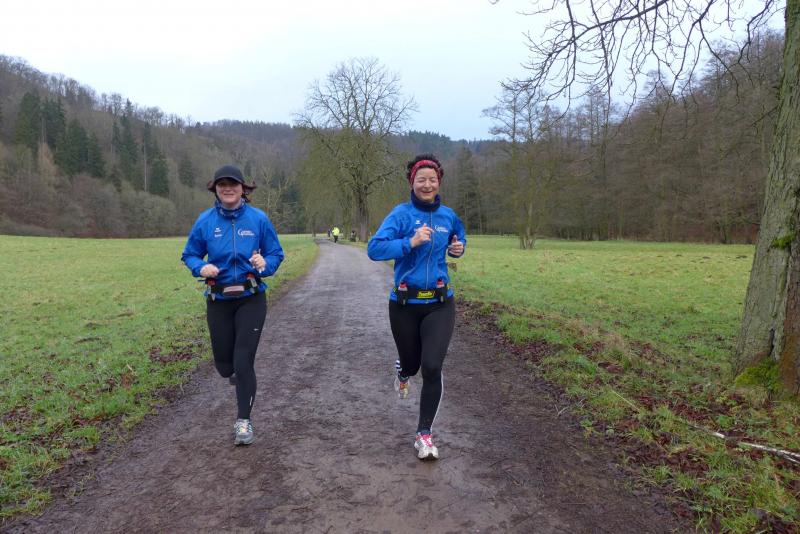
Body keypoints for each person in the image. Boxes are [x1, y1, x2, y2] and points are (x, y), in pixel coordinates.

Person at [367, 154, 466, 460]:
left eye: (432, 180)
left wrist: (458, 248)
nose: (427, 185)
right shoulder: (401, 215)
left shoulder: (448, 216)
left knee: (432, 366)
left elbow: (459, 238)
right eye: (421, 179)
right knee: (412, 365)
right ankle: (403, 370)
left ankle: (424, 434)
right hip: (405, 304)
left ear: (439, 183)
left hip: (439, 303)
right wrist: (409, 243)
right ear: (412, 182)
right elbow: (374, 249)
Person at [181, 164, 284, 446]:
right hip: (219, 300)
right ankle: (234, 373)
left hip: (251, 298)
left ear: (243, 188)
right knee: (225, 366)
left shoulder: (258, 219)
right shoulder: (205, 221)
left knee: (243, 360)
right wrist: (200, 268)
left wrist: (265, 264)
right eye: (222, 184)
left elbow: (276, 254)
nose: (228, 189)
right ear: (215, 189)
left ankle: (243, 421)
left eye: (233, 184)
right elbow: (189, 255)